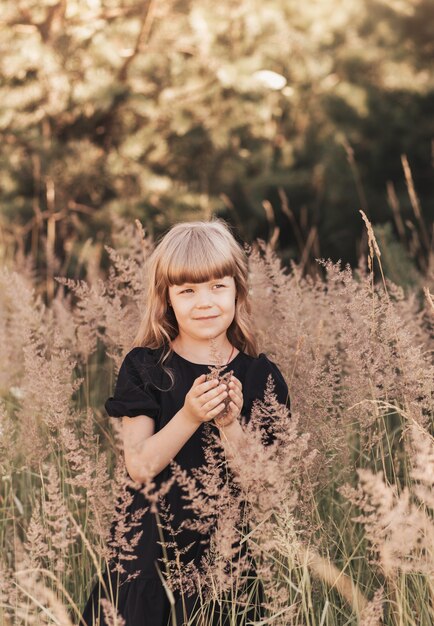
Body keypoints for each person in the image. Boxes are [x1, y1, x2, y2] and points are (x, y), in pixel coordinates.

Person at [80, 218, 291, 626]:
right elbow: (140, 465)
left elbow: (263, 486)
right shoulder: (146, 367)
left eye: (217, 286)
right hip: (147, 557)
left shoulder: (262, 376)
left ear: (237, 290)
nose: (205, 302)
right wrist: (190, 415)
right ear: (167, 299)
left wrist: (230, 426)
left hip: (226, 562)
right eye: (188, 290)